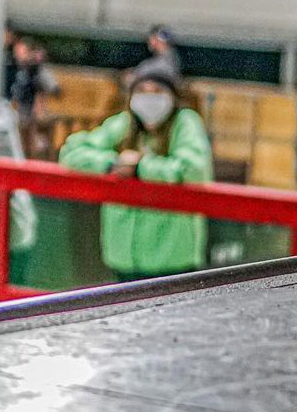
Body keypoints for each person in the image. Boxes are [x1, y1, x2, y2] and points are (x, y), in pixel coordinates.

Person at [59, 61, 212, 281]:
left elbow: (193, 169)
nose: (149, 98)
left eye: (158, 91)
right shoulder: (125, 123)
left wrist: (141, 167)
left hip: (171, 261)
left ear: (173, 96)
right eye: (142, 91)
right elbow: (72, 151)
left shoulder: (186, 122)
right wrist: (111, 164)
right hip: (123, 257)